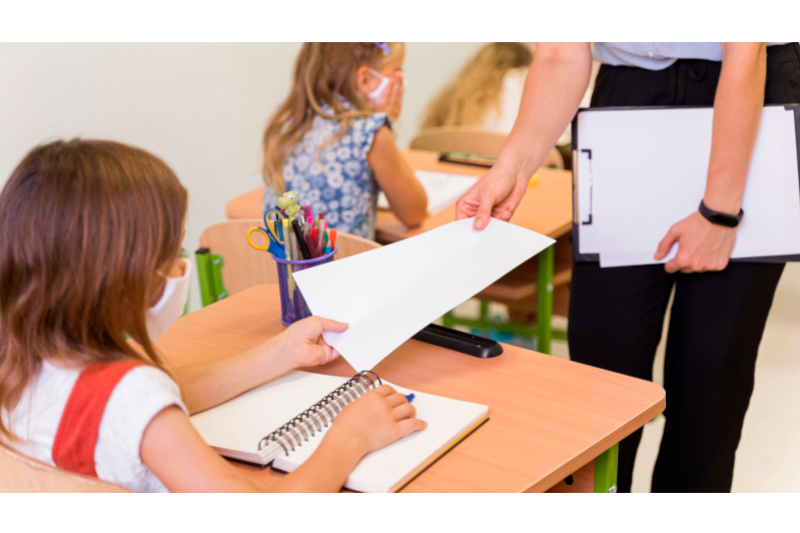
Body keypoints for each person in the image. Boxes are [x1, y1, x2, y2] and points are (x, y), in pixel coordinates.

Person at [456, 42, 800, 493]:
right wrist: (511, 167)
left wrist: (719, 213)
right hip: (628, 92)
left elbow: (746, 53)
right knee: (600, 377)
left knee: (709, 383)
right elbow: (560, 55)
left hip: (750, 92)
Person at [0, 139, 426, 493]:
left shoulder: (30, 353)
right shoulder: (136, 401)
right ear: (126, 275)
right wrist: (349, 438)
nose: (179, 269)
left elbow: (158, 388)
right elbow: (143, 399)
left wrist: (279, 354)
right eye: (172, 255)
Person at [262, 42, 427, 239]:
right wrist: (385, 126)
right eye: (397, 70)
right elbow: (414, 212)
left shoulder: (287, 122)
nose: (401, 80)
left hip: (284, 266)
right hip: (345, 267)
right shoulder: (370, 133)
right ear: (365, 80)